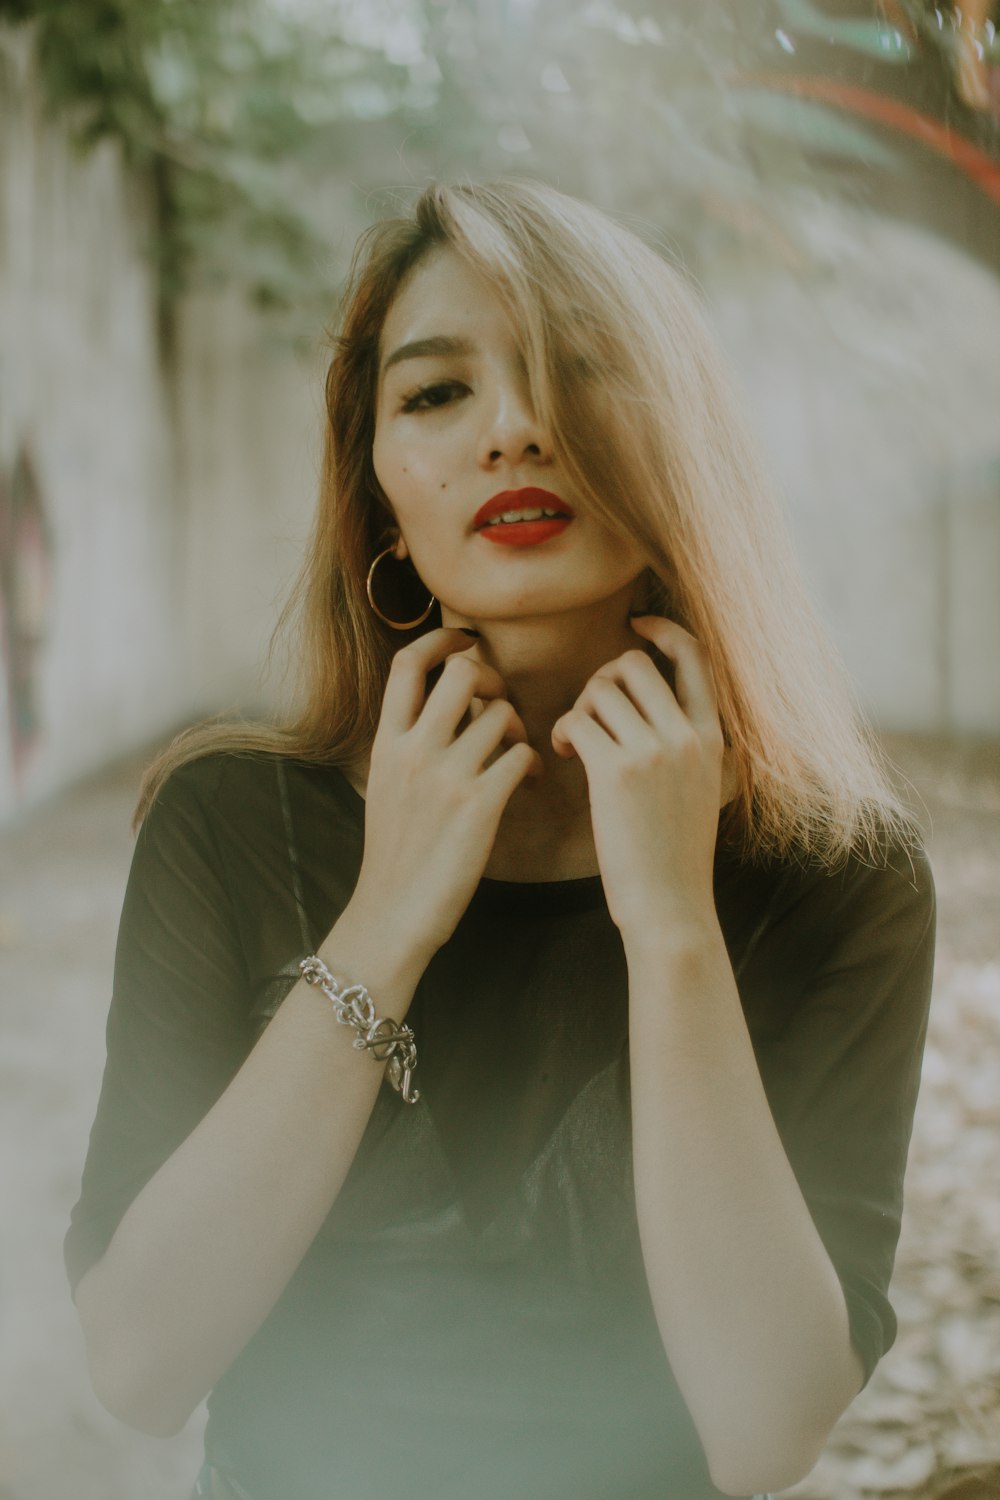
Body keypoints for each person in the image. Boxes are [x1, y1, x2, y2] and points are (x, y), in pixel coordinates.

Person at [65, 179, 935, 1500]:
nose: (519, 427)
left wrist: (672, 928)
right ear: (377, 499)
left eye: (579, 370)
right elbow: (136, 1367)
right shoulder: (231, 823)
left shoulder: (837, 874)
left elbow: (765, 1436)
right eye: (436, 394)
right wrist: (391, 912)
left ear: (678, 445)